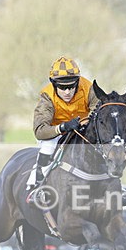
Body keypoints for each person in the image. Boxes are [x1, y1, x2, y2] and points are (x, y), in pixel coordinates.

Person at [26, 56, 99, 201]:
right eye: (62, 87)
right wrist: (63, 127)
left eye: (72, 86)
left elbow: (97, 109)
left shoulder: (88, 88)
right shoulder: (46, 95)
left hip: (84, 129)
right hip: (56, 134)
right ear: (53, 84)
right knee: (47, 147)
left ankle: (117, 187)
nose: (67, 92)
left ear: (78, 82)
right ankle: (37, 187)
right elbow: (40, 131)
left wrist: (86, 123)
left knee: (104, 147)